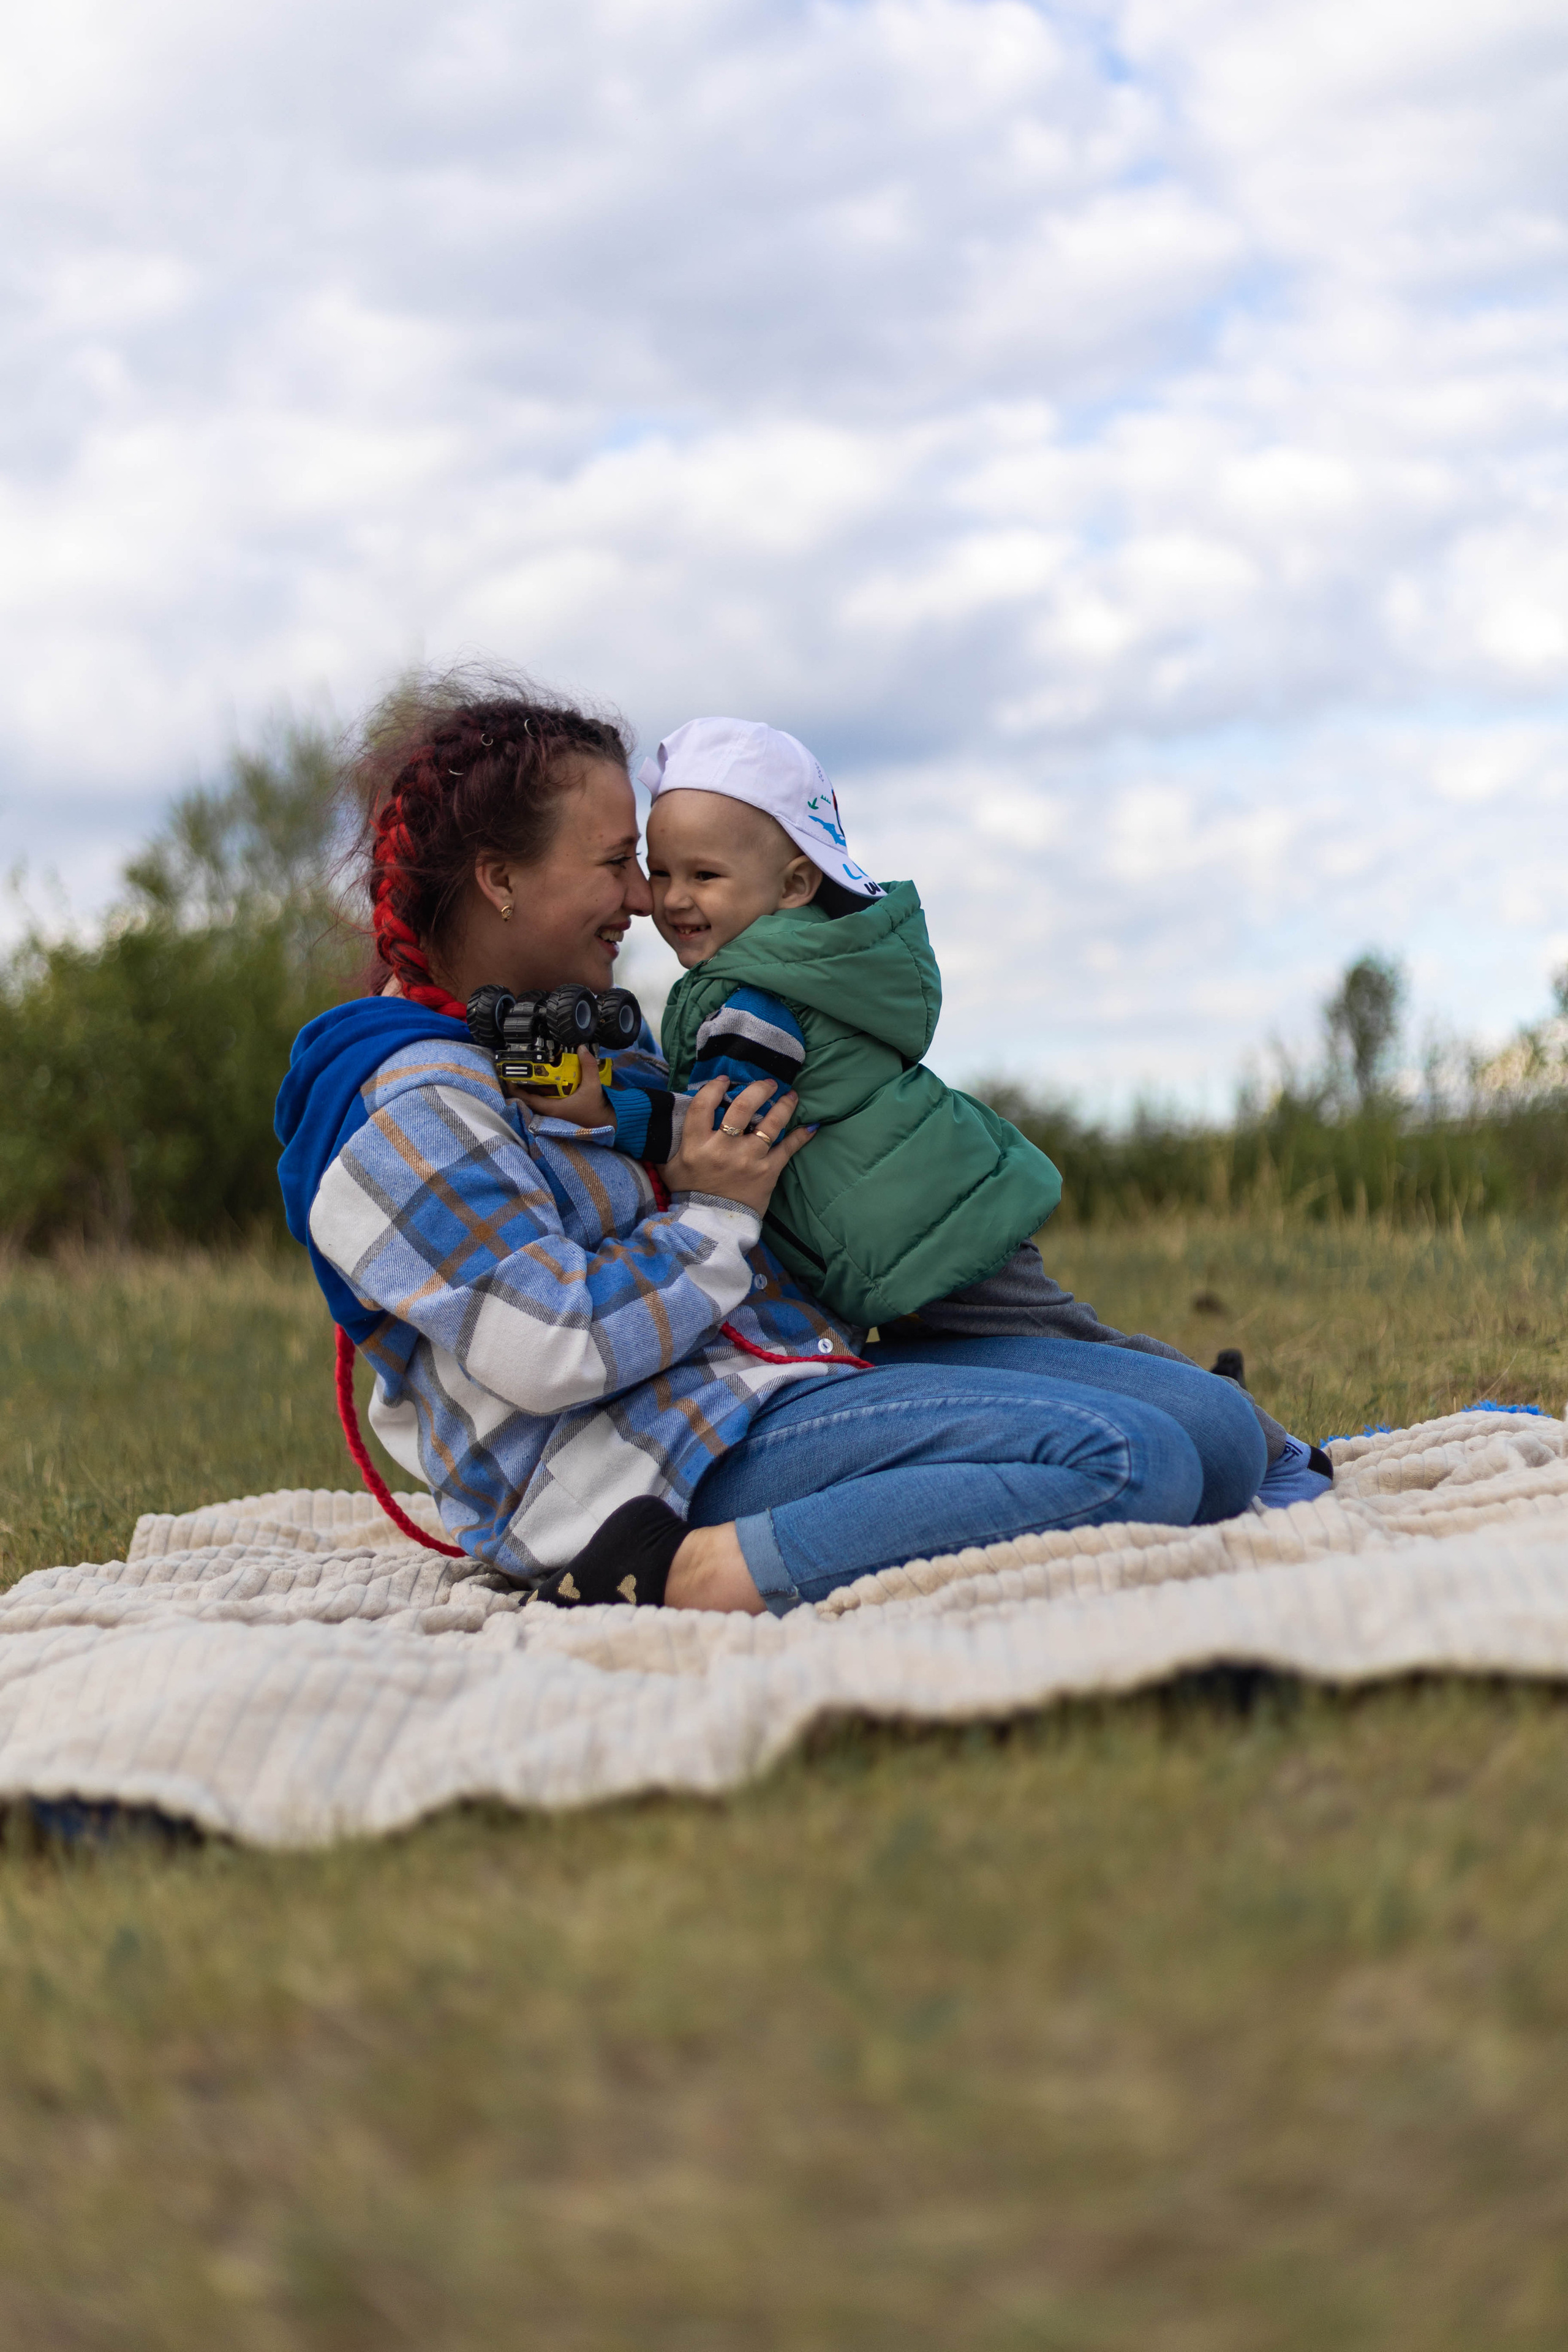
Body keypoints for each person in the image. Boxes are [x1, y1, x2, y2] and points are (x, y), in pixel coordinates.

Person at [274, 675, 1268, 1620]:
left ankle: (902, 1477)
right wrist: (716, 1212)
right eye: (620, 862)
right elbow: (554, 1343)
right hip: (637, 1470)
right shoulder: (409, 1105)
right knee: (1134, 1462)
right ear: (499, 879)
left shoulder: (562, 1039)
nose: (642, 899)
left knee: (1220, 1440)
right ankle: (700, 1574)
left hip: (775, 1382)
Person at [639, 715, 1332, 1511]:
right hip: (895, 1237)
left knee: (1067, 1340)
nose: (674, 900)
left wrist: (613, 1113)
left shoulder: (754, 1000)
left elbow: (720, 1125)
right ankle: (1197, 1417)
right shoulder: (799, 969)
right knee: (1038, 1353)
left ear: (795, 885)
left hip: (926, 1234)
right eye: (660, 874)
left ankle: (1278, 1452)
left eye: (704, 875)